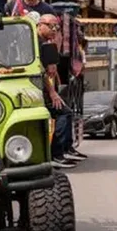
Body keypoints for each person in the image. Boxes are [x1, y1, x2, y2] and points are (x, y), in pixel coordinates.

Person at [37, 14, 86, 168]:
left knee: (66, 112)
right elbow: (40, 71)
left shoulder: (45, 43)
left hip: (41, 88)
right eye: (51, 26)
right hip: (36, 90)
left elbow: (48, 67)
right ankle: (56, 154)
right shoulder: (34, 42)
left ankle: (65, 149)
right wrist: (52, 93)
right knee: (63, 112)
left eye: (57, 27)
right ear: (40, 25)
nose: (55, 30)